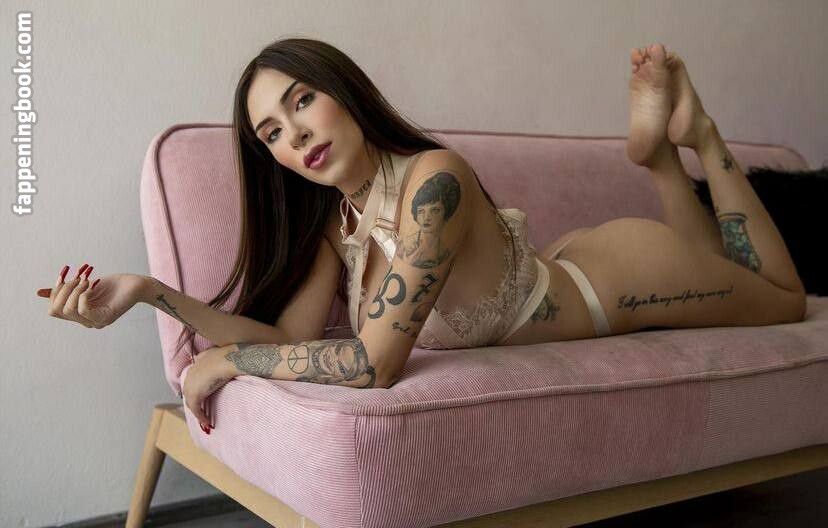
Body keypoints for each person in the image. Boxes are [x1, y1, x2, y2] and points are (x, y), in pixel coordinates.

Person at [38, 39, 807, 431]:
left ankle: (696, 139)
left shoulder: (434, 180)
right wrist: (149, 293)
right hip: (561, 267)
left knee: (783, 300)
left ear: (344, 92)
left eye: (302, 101)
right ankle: (663, 159)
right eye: (271, 131)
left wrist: (228, 361)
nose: (293, 134)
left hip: (615, 280)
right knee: (732, 272)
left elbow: (374, 364)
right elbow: (287, 338)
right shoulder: (337, 222)